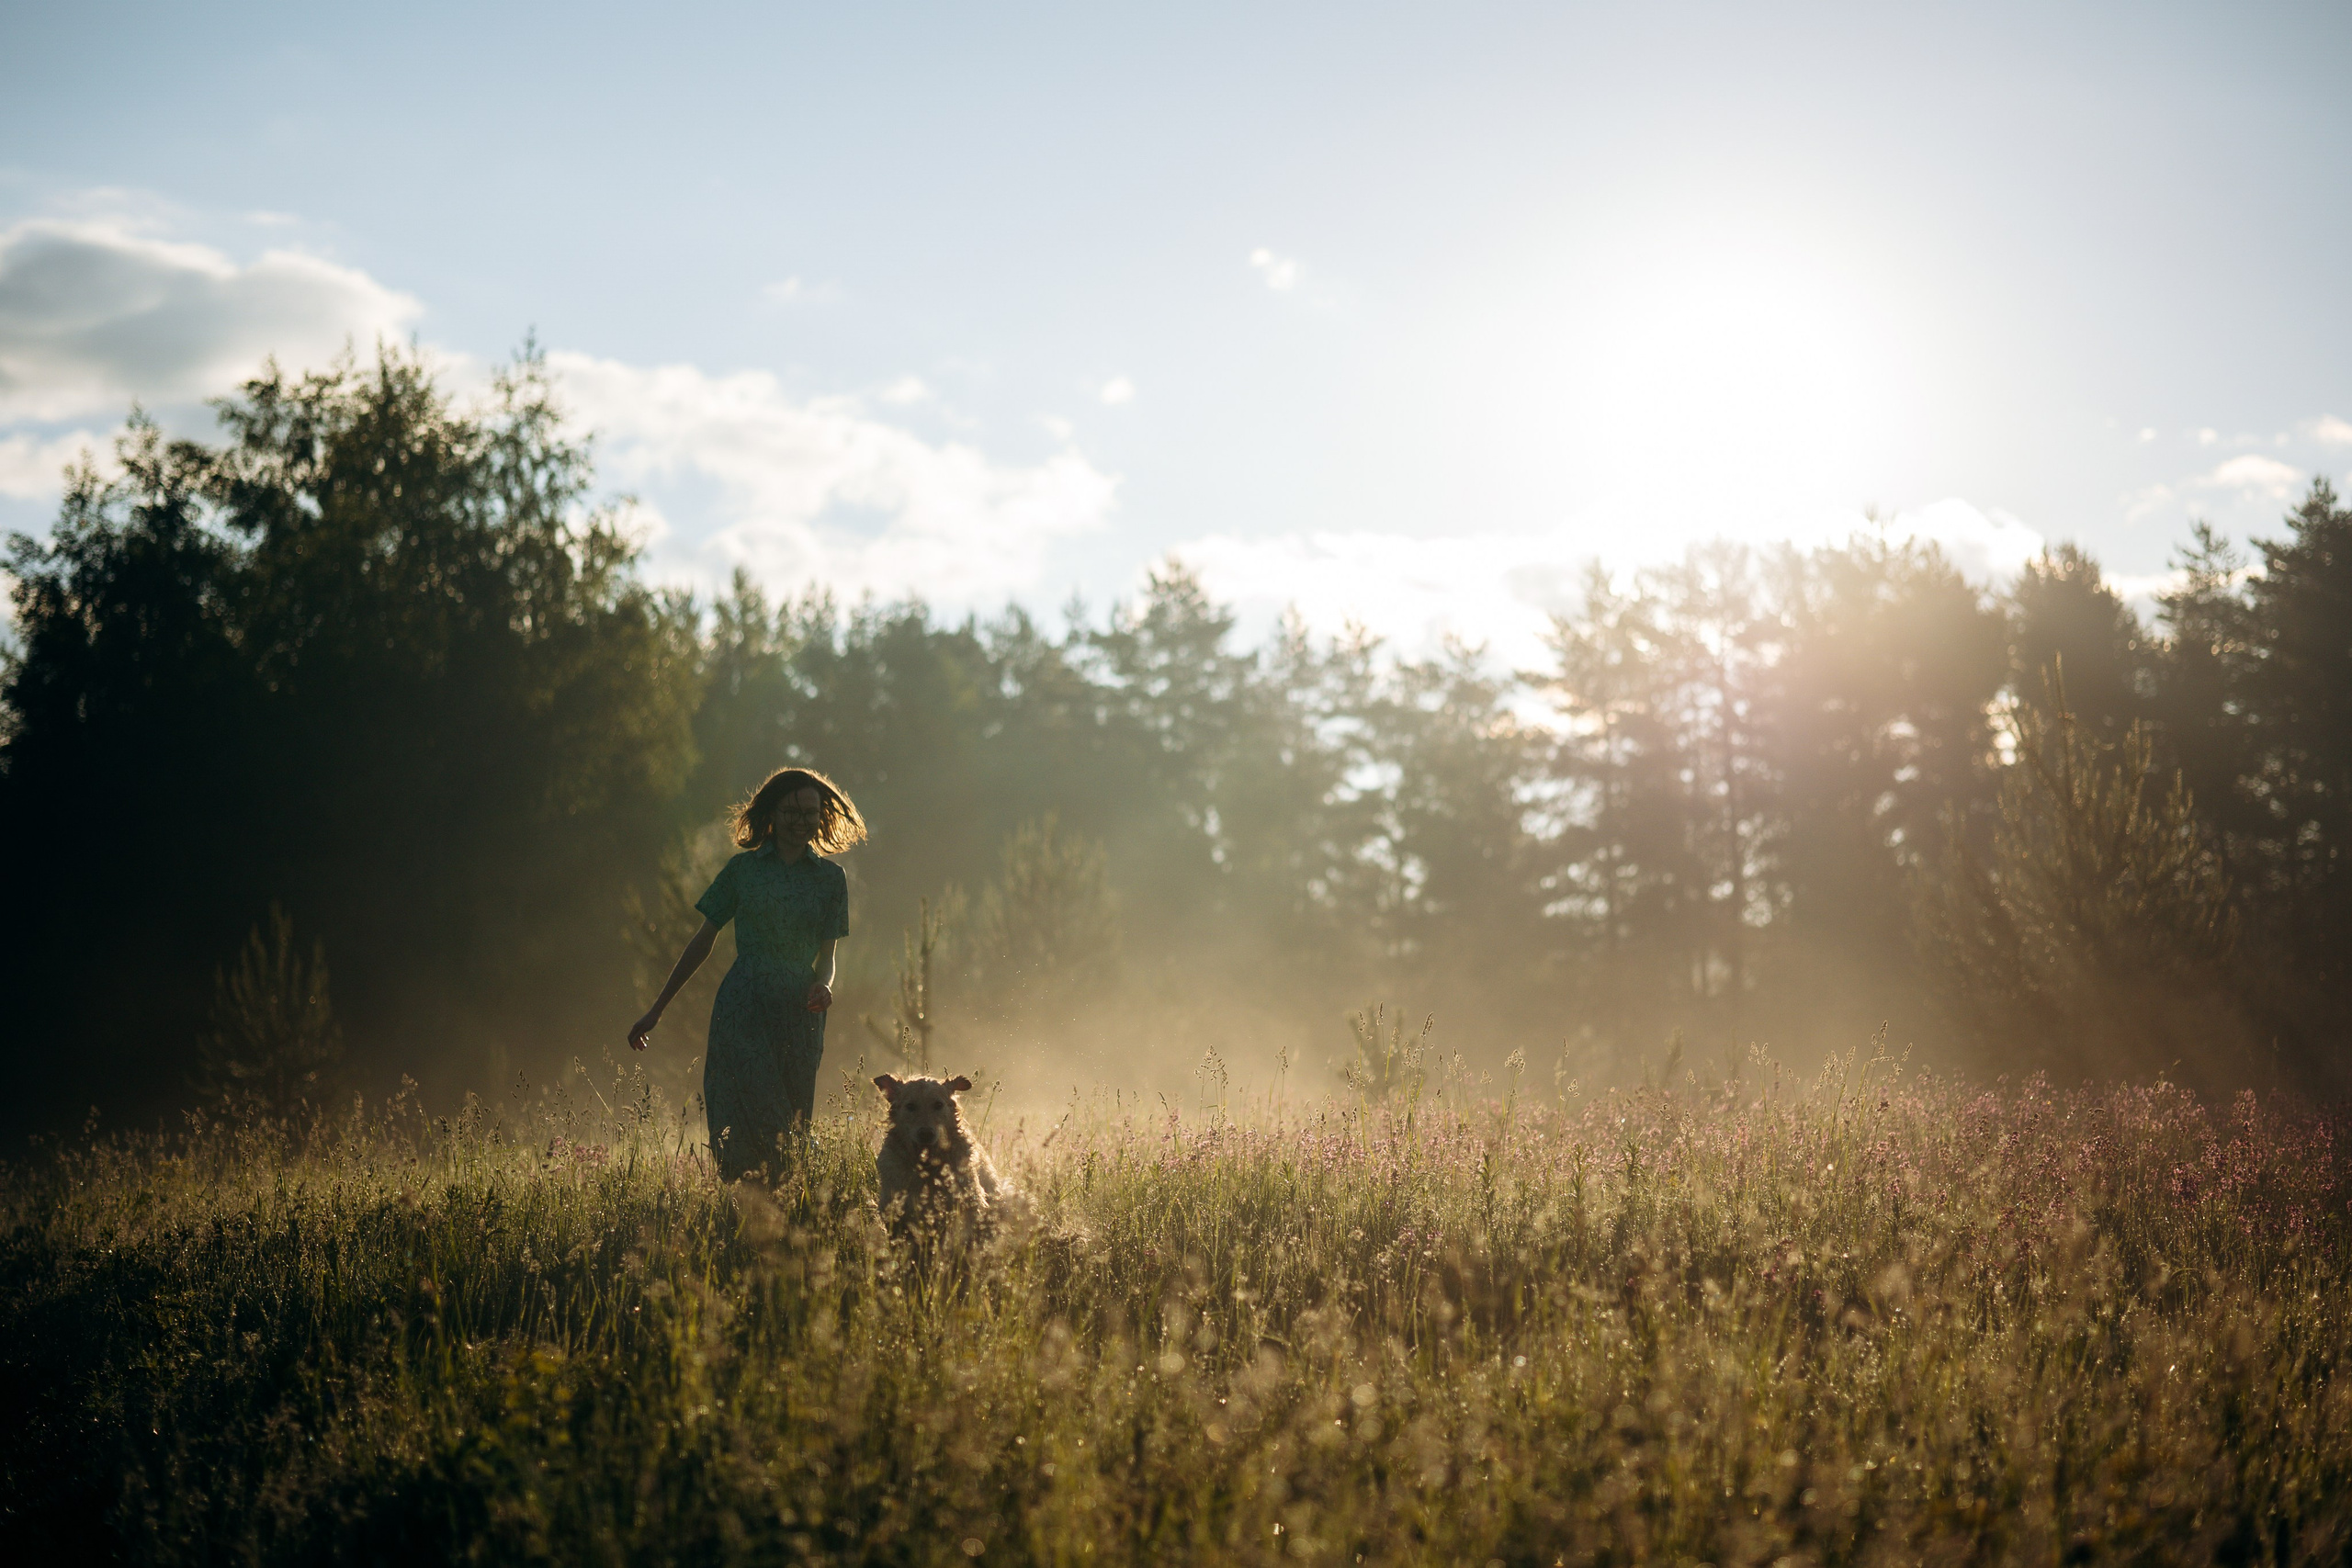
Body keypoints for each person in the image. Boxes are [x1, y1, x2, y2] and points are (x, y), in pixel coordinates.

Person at [629, 768, 865, 1179]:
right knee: (747, 1106)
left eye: (811, 812)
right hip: (744, 1005)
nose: (801, 821)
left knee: (793, 1118)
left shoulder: (831, 879)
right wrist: (657, 1010)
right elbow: (703, 941)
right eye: (792, 811)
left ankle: (789, 1208)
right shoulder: (743, 871)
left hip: (800, 1010)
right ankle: (747, 1206)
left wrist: (824, 986)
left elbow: (828, 954)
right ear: (771, 813)